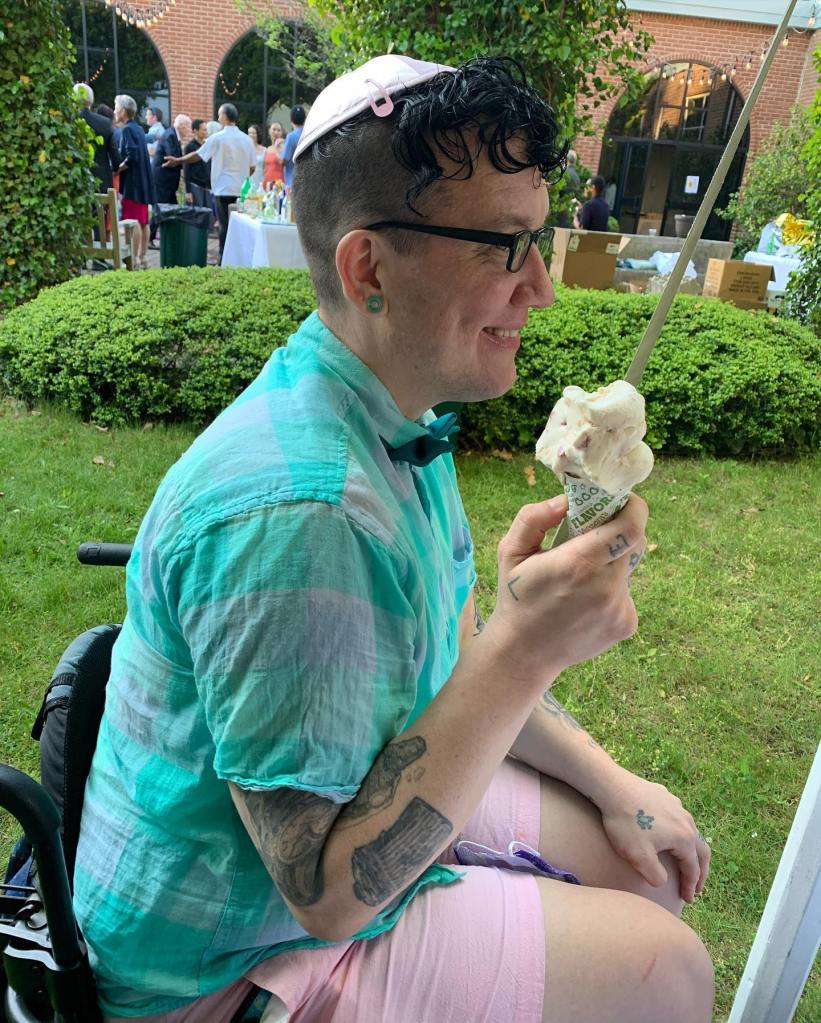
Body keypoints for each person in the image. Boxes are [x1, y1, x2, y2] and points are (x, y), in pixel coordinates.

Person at [76, 55, 713, 1023]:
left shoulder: (390, 414)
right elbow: (327, 894)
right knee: (663, 970)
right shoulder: (304, 513)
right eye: (502, 247)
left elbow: (446, 652)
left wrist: (612, 780)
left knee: (645, 865)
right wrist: (525, 646)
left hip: (342, 812)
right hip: (208, 971)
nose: (539, 289)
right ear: (367, 266)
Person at [163, 102, 255, 263]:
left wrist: (177, 161)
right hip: (240, 190)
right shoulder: (247, 140)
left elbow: (197, 155)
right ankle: (239, 259)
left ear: (225, 117)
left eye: (219, 115)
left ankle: (223, 259)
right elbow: (252, 167)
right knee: (239, 226)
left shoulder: (217, 137)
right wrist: (243, 176)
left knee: (224, 226)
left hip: (223, 189)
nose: (218, 117)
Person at [114, 93, 155, 269]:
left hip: (134, 183)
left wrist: (117, 169)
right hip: (144, 181)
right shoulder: (138, 128)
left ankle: (135, 260)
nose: (115, 111)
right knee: (144, 220)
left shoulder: (128, 129)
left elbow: (131, 157)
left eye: (116, 107)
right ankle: (143, 257)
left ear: (123, 111)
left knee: (134, 220)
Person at [149, 113, 192, 246]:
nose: (189, 131)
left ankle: (170, 237)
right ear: (181, 125)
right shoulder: (170, 135)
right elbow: (171, 157)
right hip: (162, 180)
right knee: (161, 208)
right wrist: (184, 161)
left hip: (167, 181)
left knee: (171, 208)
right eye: (188, 127)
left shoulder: (173, 135)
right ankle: (150, 238)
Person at [73, 83, 121, 194]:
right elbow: (116, 159)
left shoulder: (67, 122)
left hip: (75, 183)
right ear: (91, 100)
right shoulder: (105, 123)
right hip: (101, 183)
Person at [184, 118, 211, 206]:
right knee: (197, 215)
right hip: (195, 186)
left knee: (208, 215)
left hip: (207, 187)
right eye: (204, 130)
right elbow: (186, 169)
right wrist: (188, 191)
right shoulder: (190, 147)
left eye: (206, 129)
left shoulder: (207, 145)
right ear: (195, 131)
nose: (206, 132)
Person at [281, 103, 305, 189]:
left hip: (292, 182)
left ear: (291, 120)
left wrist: (278, 150)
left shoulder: (291, 136)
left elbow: (284, 160)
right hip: (306, 182)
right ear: (304, 119)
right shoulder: (308, 134)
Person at [247, 124, 267, 190]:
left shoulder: (264, 150)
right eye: (249, 133)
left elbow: (265, 168)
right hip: (248, 178)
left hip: (260, 179)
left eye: (254, 133)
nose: (251, 135)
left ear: (258, 135)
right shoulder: (245, 149)